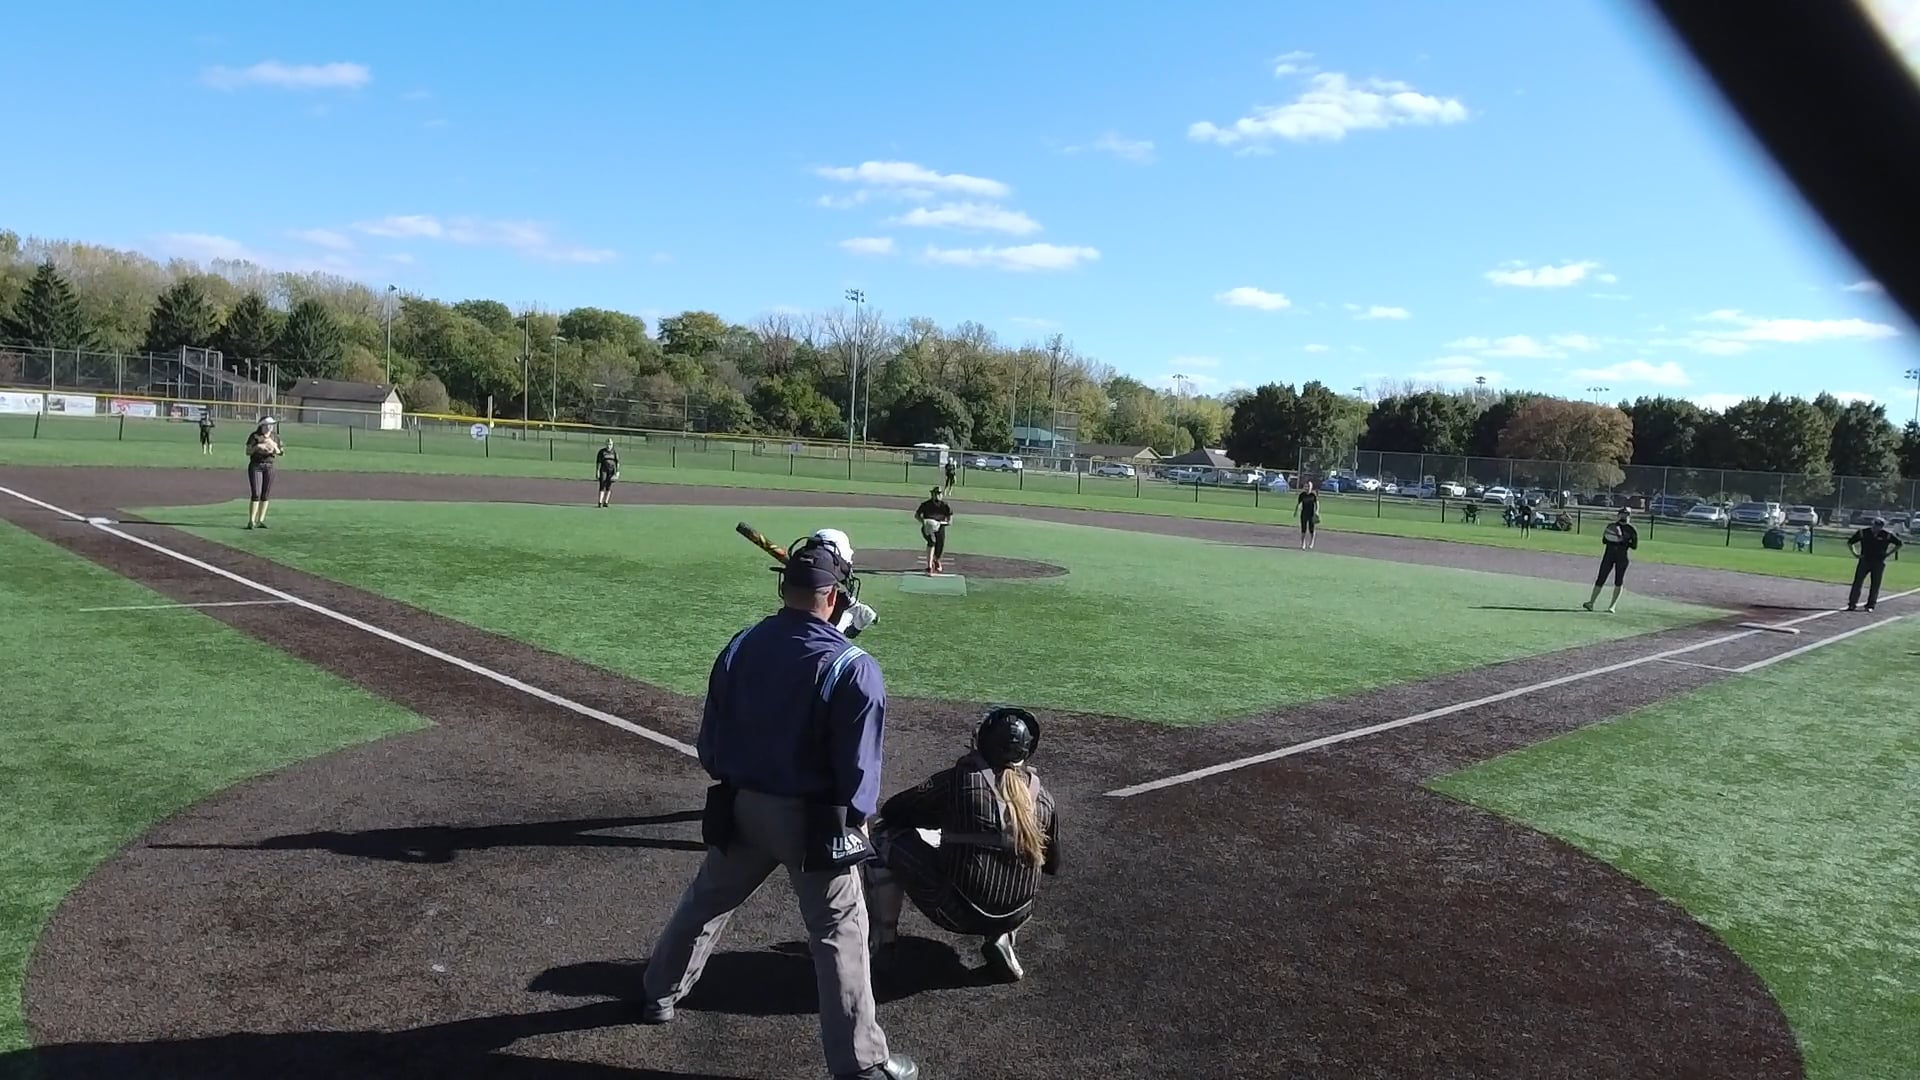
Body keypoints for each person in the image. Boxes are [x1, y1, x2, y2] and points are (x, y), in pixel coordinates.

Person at [638, 538, 917, 1080]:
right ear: (834, 596)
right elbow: (859, 772)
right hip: (815, 823)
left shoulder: (741, 644)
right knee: (840, 932)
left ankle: (658, 994)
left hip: (742, 808)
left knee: (705, 902)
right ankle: (861, 1064)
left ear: (784, 587)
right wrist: (855, 825)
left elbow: (710, 742)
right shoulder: (854, 667)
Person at [864, 707, 1060, 984]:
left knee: (884, 836)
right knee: (1009, 855)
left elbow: (894, 811)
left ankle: (883, 944)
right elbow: (1052, 864)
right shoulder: (1045, 799)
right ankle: (1002, 937)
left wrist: (945, 824)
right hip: (1017, 913)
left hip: (957, 913)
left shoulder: (961, 781)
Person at [1584, 508, 1639, 613]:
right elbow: (1604, 540)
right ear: (1618, 515)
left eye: (1626, 515)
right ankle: (1591, 602)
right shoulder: (1611, 526)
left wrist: (1623, 540)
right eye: (1622, 514)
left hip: (1622, 558)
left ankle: (1612, 606)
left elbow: (1634, 546)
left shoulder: (1631, 529)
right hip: (1609, 556)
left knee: (1618, 581)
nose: (1624, 516)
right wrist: (1613, 536)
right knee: (1601, 578)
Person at [1846, 516, 1903, 612]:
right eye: (1876, 525)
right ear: (1873, 524)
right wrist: (1855, 554)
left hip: (1878, 562)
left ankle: (1870, 605)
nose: (1877, 527)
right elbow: (1850, 542)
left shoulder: (1887, 535)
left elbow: (1899, 544)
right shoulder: (1863, 533)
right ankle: (1852, 604)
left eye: (1880, 526)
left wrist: (1888, 553)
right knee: (1857, 583)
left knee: (1875, 584)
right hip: (1865, 561)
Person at [243, 417, 282, 530]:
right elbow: (248, 451)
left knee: (265, 494)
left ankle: (261, 520)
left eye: (272, 425)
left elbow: (281, 452)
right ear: (262, 426)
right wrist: (258, 447)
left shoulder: (274, 437)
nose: (270, 427)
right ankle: (251, 521)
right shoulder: (255, 436)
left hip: (269, 466)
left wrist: (274, 448)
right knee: (256, 493)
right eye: (268, 425)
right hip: (256, 465)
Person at [914, 487, 954, 574]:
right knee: (932, 542)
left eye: (939, 494)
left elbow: (950, 521)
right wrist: (924, 522)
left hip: (940, 528)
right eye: (935, 494)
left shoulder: (945, 506)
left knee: (940, 546)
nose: (937, 496)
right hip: (927, 528)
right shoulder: (926, 505)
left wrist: (939, 523)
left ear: (942, 495)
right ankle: (929, 566)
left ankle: (936, 560)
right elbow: (917, 515)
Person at [1295, 479, 1320, 550]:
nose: (1307, 487)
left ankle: (1311, 542)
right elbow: (1298, 504)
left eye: (1309, 486)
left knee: (1311, 529)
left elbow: (1317, 504)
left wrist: (1317, 511)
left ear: (1311, 487)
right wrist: (1296, 511)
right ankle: (1303, 543)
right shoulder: (1302, 495)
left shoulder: (1313, 495)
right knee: (1303, 529)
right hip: (1304, 513)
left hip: (1311, 514)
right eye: (1306, 486)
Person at [594, 438, 619, 508]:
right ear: (606, 444)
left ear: (612, 445)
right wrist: (597, 471)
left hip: (611, 471)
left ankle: (606, 502)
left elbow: (617, 463)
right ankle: (600, 502)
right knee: (602, 485)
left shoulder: (614, 452)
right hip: (603, 470)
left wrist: (617, 472)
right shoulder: (602, 452)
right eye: (608, 444)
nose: (609, 446)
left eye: (610, 444)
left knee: (608, 486)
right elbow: (598, 462)